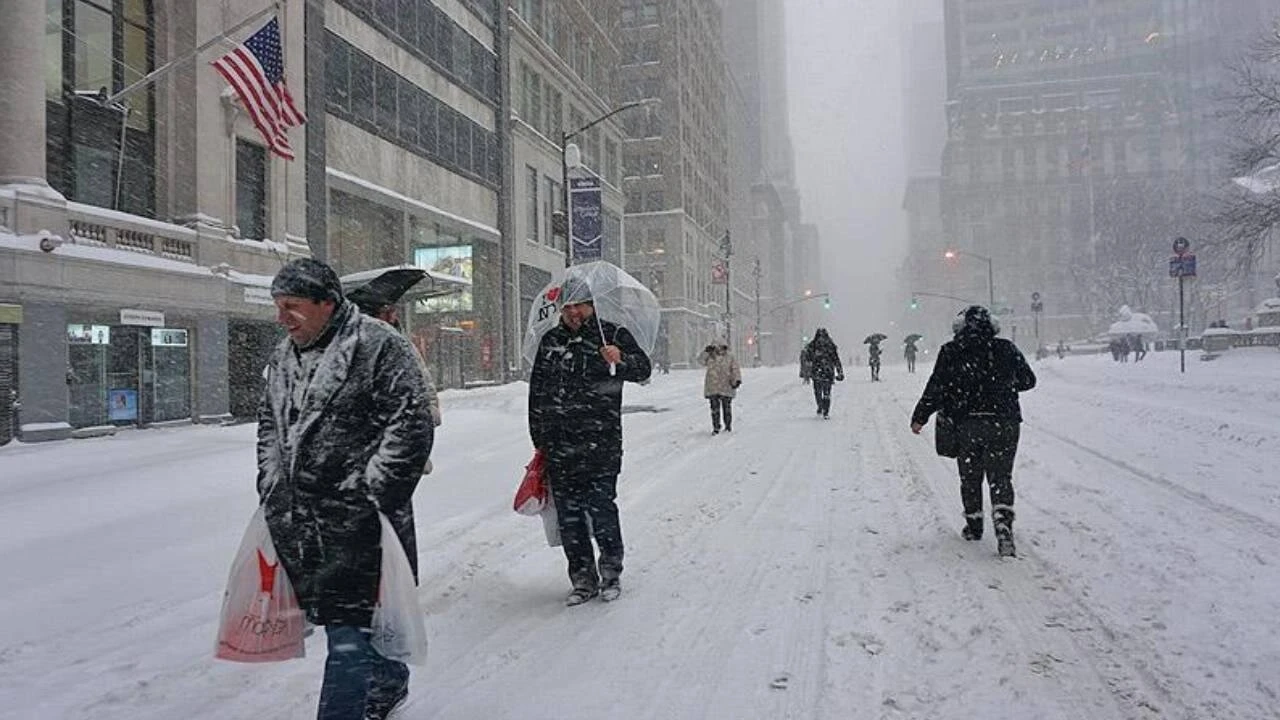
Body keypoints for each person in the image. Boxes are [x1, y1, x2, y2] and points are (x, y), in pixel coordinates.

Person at [256, 258, 433, 720]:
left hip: (364, 520)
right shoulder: (284, 357)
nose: (282, 317)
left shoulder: (379, 346)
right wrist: (273, 487)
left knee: (348, 632)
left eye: (291, 306)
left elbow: (411, 425)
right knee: (358, 620)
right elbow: (269, 429)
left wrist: (370, 494)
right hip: (304, 523)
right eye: (278, 306)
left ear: (326, 303)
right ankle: (390, 681)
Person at [528, 277, 652, 606]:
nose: (572, 312)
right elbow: (537, 392)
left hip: (602, 443)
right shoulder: (551, 341)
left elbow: (643, 370)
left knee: (601, 511)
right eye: (566, 306)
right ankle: (582, 578)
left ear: (591, 305)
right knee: (569, 517)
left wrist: (620, 359)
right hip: (560, 446)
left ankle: (611, 571)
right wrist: (539, 438)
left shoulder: (611, 335)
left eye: (578, 305)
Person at [910, 306, 1035, 558]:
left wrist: (920, 416)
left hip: (967, 423)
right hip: (1004, 422)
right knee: (1001, 476)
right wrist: (1002, 386)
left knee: (970, 475)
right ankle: (1003, 523)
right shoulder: (1006, 349)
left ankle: (974, 524)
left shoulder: (951, 351)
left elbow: (937, 386)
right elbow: (1028, 380)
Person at [698, 341, 741, 435]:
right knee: (714, 408)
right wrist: (705, 352)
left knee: (726, 407)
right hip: (713, 386)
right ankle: (716, 426)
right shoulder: (709, 356)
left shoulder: (730, 357)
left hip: (726, 385)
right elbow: (700, 361)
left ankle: (728, 425)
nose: (718, 350)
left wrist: (736, 380)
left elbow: (735, 369)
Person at [801, 328, 843, 418]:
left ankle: (821, 406)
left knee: (818, 391)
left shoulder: (813, 345)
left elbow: (807, 359)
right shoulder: (830, 345)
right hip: (827, 371)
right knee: (826, 392)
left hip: (817, 371)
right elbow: (836, 359)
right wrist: (840, 371)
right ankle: (825, 410)